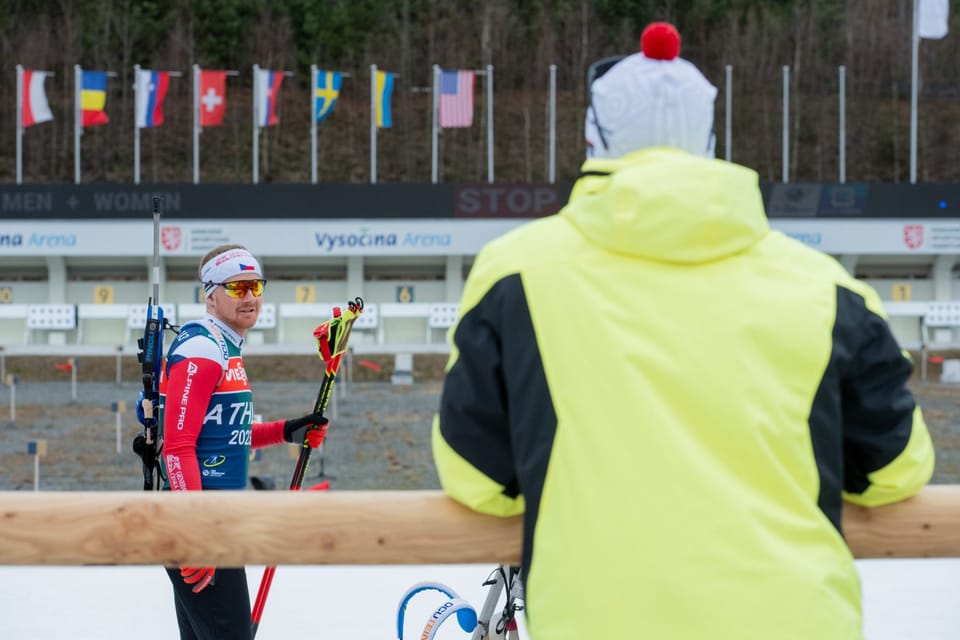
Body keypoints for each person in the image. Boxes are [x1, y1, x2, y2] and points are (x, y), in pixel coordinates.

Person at [432, 22, 935, 640]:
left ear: (595, 139)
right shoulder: (827, 289)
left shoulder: (515, 274)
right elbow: (895, 473)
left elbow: (477, 480)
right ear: (712, 143)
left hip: (597, 621)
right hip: (795, 620)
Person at [158, 244, 328, 640]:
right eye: (236, 288)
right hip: (201, 524)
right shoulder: (203, 349)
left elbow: (225, 435)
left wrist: (286, 430)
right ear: (211, 294)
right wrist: (197, 535)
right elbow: (178, 446)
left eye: (254, 285)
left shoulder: (226, 347)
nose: (249, 296)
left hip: (217, 520)